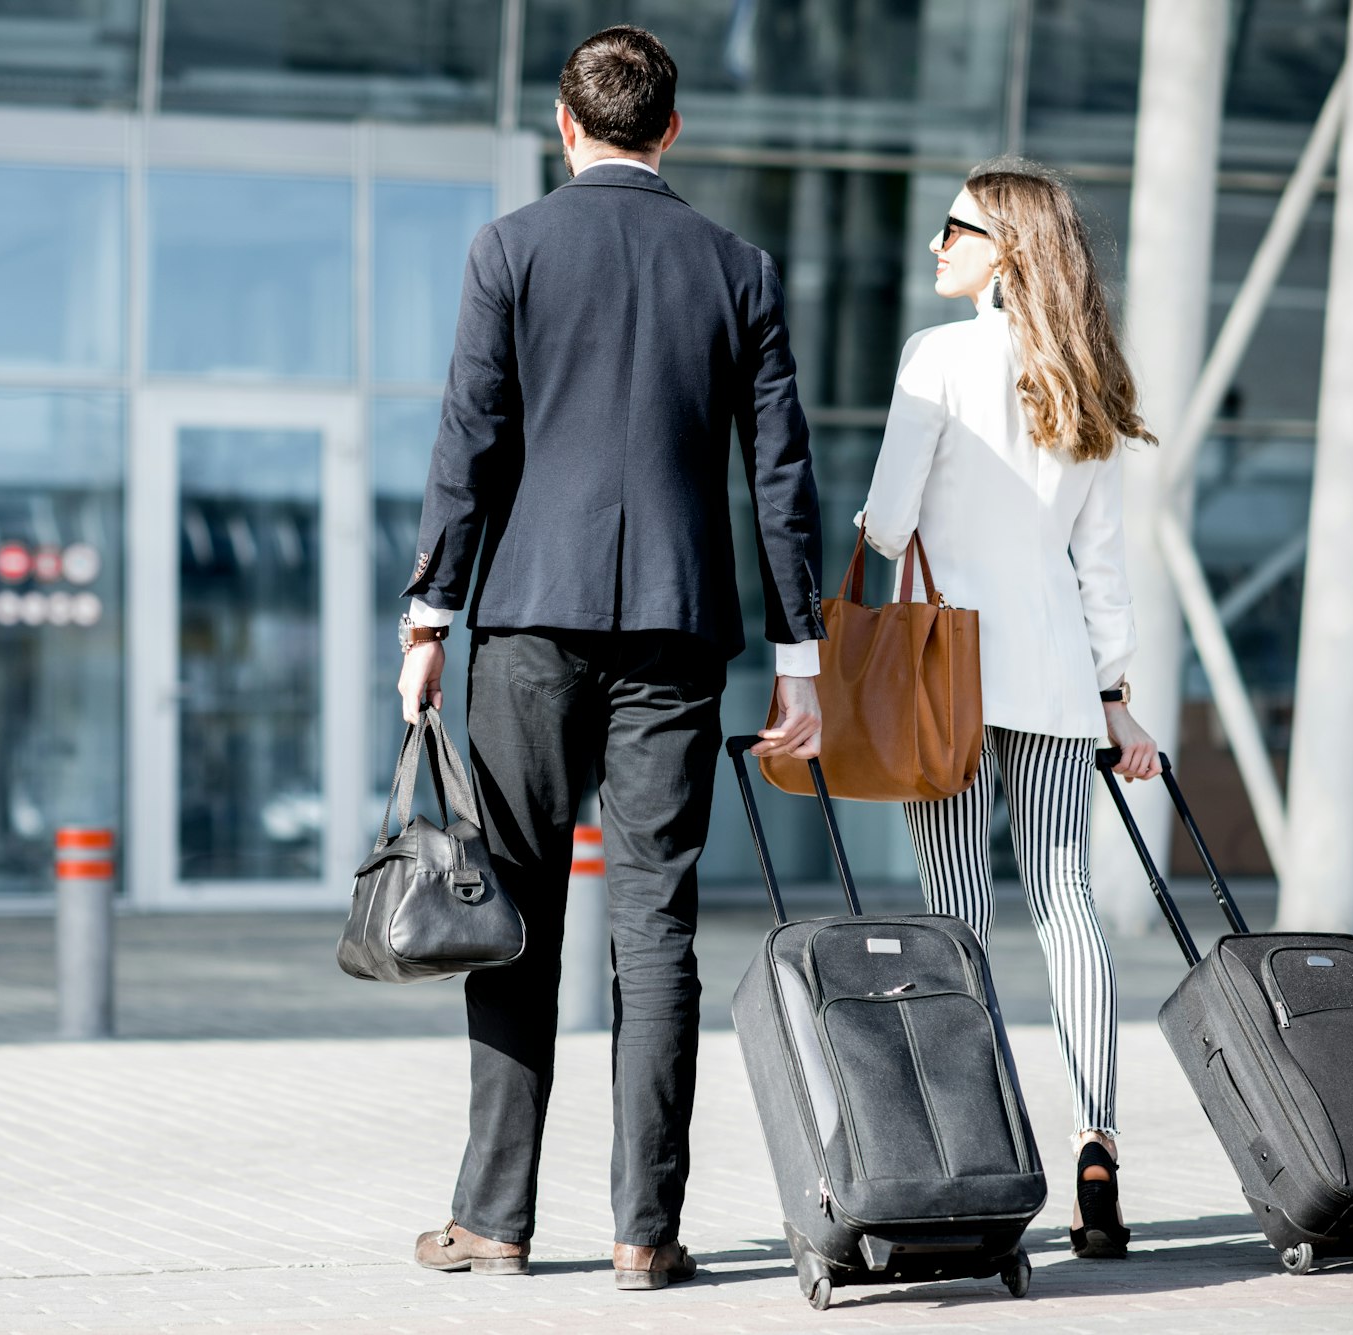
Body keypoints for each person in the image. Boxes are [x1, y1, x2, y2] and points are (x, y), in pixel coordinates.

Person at [396, 25, 825, 1291]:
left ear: (565, 125)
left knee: (513, 914)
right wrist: (797, 653)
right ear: (671, 130)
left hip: (526, 620)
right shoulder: (736, 265)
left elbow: (468, 444)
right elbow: (781, 477)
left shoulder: (510, 250)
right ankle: (647, 1230)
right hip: (679, 629)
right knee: (656, 925)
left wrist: (429, 619)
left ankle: (493, 1219)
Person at [857, 158, 1160, 1260]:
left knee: (953, 910)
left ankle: (976, 1154)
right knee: (1066, 899)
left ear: (1006, 249)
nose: (937, 245)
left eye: (956, 229)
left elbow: (888, 524)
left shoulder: (935, 357)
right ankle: (1096, 1145)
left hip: (942, 672)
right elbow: (1102, 570)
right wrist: (1116, 700)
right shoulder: (1087, 375)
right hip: (1052, 678)